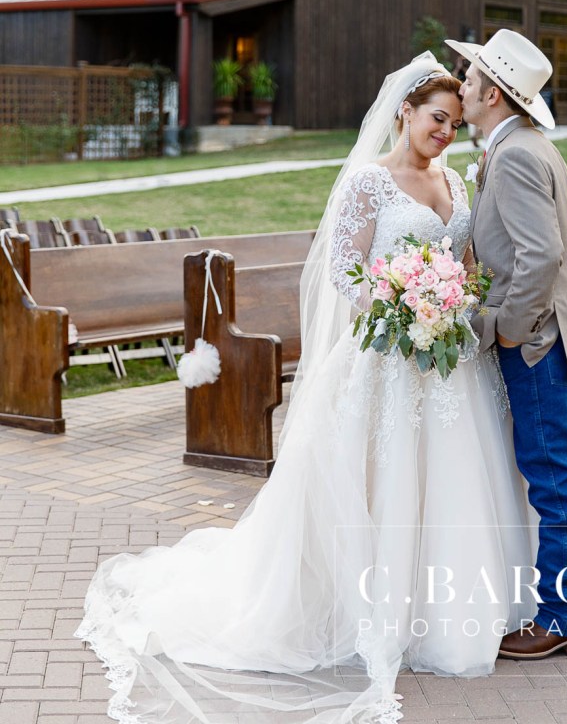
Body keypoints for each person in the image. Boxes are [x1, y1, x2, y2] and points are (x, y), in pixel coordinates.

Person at [75, 51, 537, 724]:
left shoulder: (456, 183)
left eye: (455, 122)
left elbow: (462, 262)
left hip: (446, 363)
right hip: (384, 354)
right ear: (405, 112)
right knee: (380, 482)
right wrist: (399, 304)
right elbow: (343, 274)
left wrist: (451, 299)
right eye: (436, 118)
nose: (444, 132)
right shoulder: (366, 183)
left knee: (452, 479)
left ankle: (447, 613)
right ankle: (364, 610)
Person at [446, 29, 567, 659]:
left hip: (538, 343)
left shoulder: (514, 154)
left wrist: (510, 328)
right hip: (555, 338)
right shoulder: (525, 144)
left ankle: (564, 618)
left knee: (552, 479)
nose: (462, 85)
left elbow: (541, 256)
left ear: (491, 93)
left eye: (470, 77)